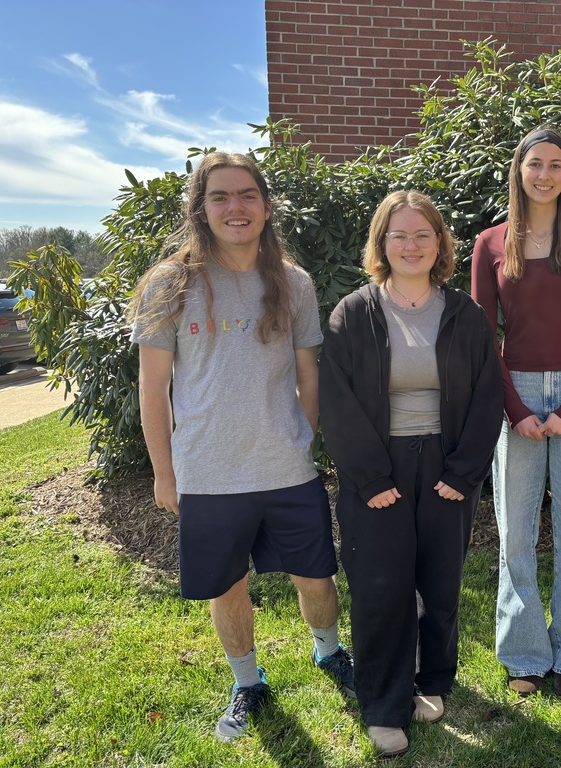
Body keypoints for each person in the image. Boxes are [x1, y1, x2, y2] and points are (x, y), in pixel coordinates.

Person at [129, 152, 354, 743]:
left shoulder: (294, 282)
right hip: (207, 472)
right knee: (226, 586)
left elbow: (309, 373)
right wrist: (164, 473)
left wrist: (299, 436)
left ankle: (329, 653)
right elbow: (154, 390)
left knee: (317, 578)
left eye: (247, 195)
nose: (236, 207)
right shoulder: (168, 283)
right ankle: (247, 682)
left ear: (266, 205)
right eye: (221, 197)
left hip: (286, 466)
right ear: (201, 208)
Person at [319, 190, 503, 757]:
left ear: (440, 243)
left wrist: (465, 471)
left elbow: (486, 395)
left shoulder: (465, 315)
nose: (411, 244)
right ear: (382, 244)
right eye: (399, 234)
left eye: (423, 234)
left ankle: (430, 681)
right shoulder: (354, 312)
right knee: (381, 588)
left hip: (446, 467)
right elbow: (336, 401)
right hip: (379, 466)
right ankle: (383, 702)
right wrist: (371, 479)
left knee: (439, 583)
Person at [471, 126, 561, 698]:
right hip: (516, 392)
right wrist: (514, 407)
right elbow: (484, 338)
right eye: (536, 164)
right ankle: (526, 653)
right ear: (519, 171)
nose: (546, 175)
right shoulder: (490, 243)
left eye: (556, 165)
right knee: (516, 535)